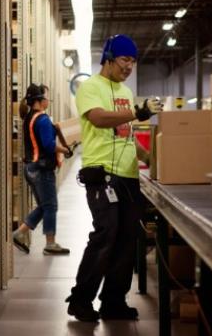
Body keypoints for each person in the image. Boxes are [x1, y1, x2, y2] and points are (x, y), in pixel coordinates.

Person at [66, 34, 163, 322]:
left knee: (126, 240)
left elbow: (127, 135)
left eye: (133, 61)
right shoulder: (89, 87)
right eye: (124, 59)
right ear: (108, 58)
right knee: (105, 235)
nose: (129, 66)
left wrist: (151, 158)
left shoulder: (125, 92)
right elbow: (98, 118)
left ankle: (113, 301)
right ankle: (81, 300)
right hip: (102, 174)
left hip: (128, 176)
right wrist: (135, 112)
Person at [12, 83, 73, 255]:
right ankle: (50, 244)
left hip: (31, 168)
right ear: (39, 100)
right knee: (51, 206)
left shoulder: (29, 118)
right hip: (42, 169)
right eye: (46, 97)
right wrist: (65, 150)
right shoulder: (43, 119)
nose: (48, 100)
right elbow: (48, 145)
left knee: (44, 206)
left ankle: (18, 233)